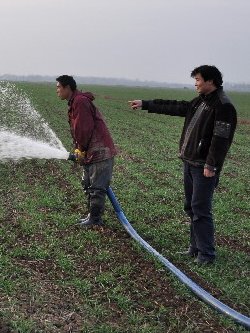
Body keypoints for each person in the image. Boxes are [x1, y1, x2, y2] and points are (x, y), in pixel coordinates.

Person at [127, 65, 237, 265]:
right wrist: (146, 104)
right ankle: (195, 248)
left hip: (203, 167)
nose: (195, 84)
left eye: (198, 80)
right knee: (191, 208)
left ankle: (207, 254)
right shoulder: (200, 101)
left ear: (210, 81)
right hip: (190, 163)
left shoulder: (223, 106)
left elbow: (221, 139)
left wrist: (211, 165)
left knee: (200, 210)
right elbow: (176, 107)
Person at [56, 75, 118, 226]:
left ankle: (95, 219)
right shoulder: (75, 101)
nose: (57, 91)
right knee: (88, 184)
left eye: (59, 87)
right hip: (92, 150)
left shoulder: (80, 101)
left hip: (99, 151)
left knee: (97, 188)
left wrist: (81, 150)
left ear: (68, 88)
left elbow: (83, 128)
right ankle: (91, 216)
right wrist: (80, 150)